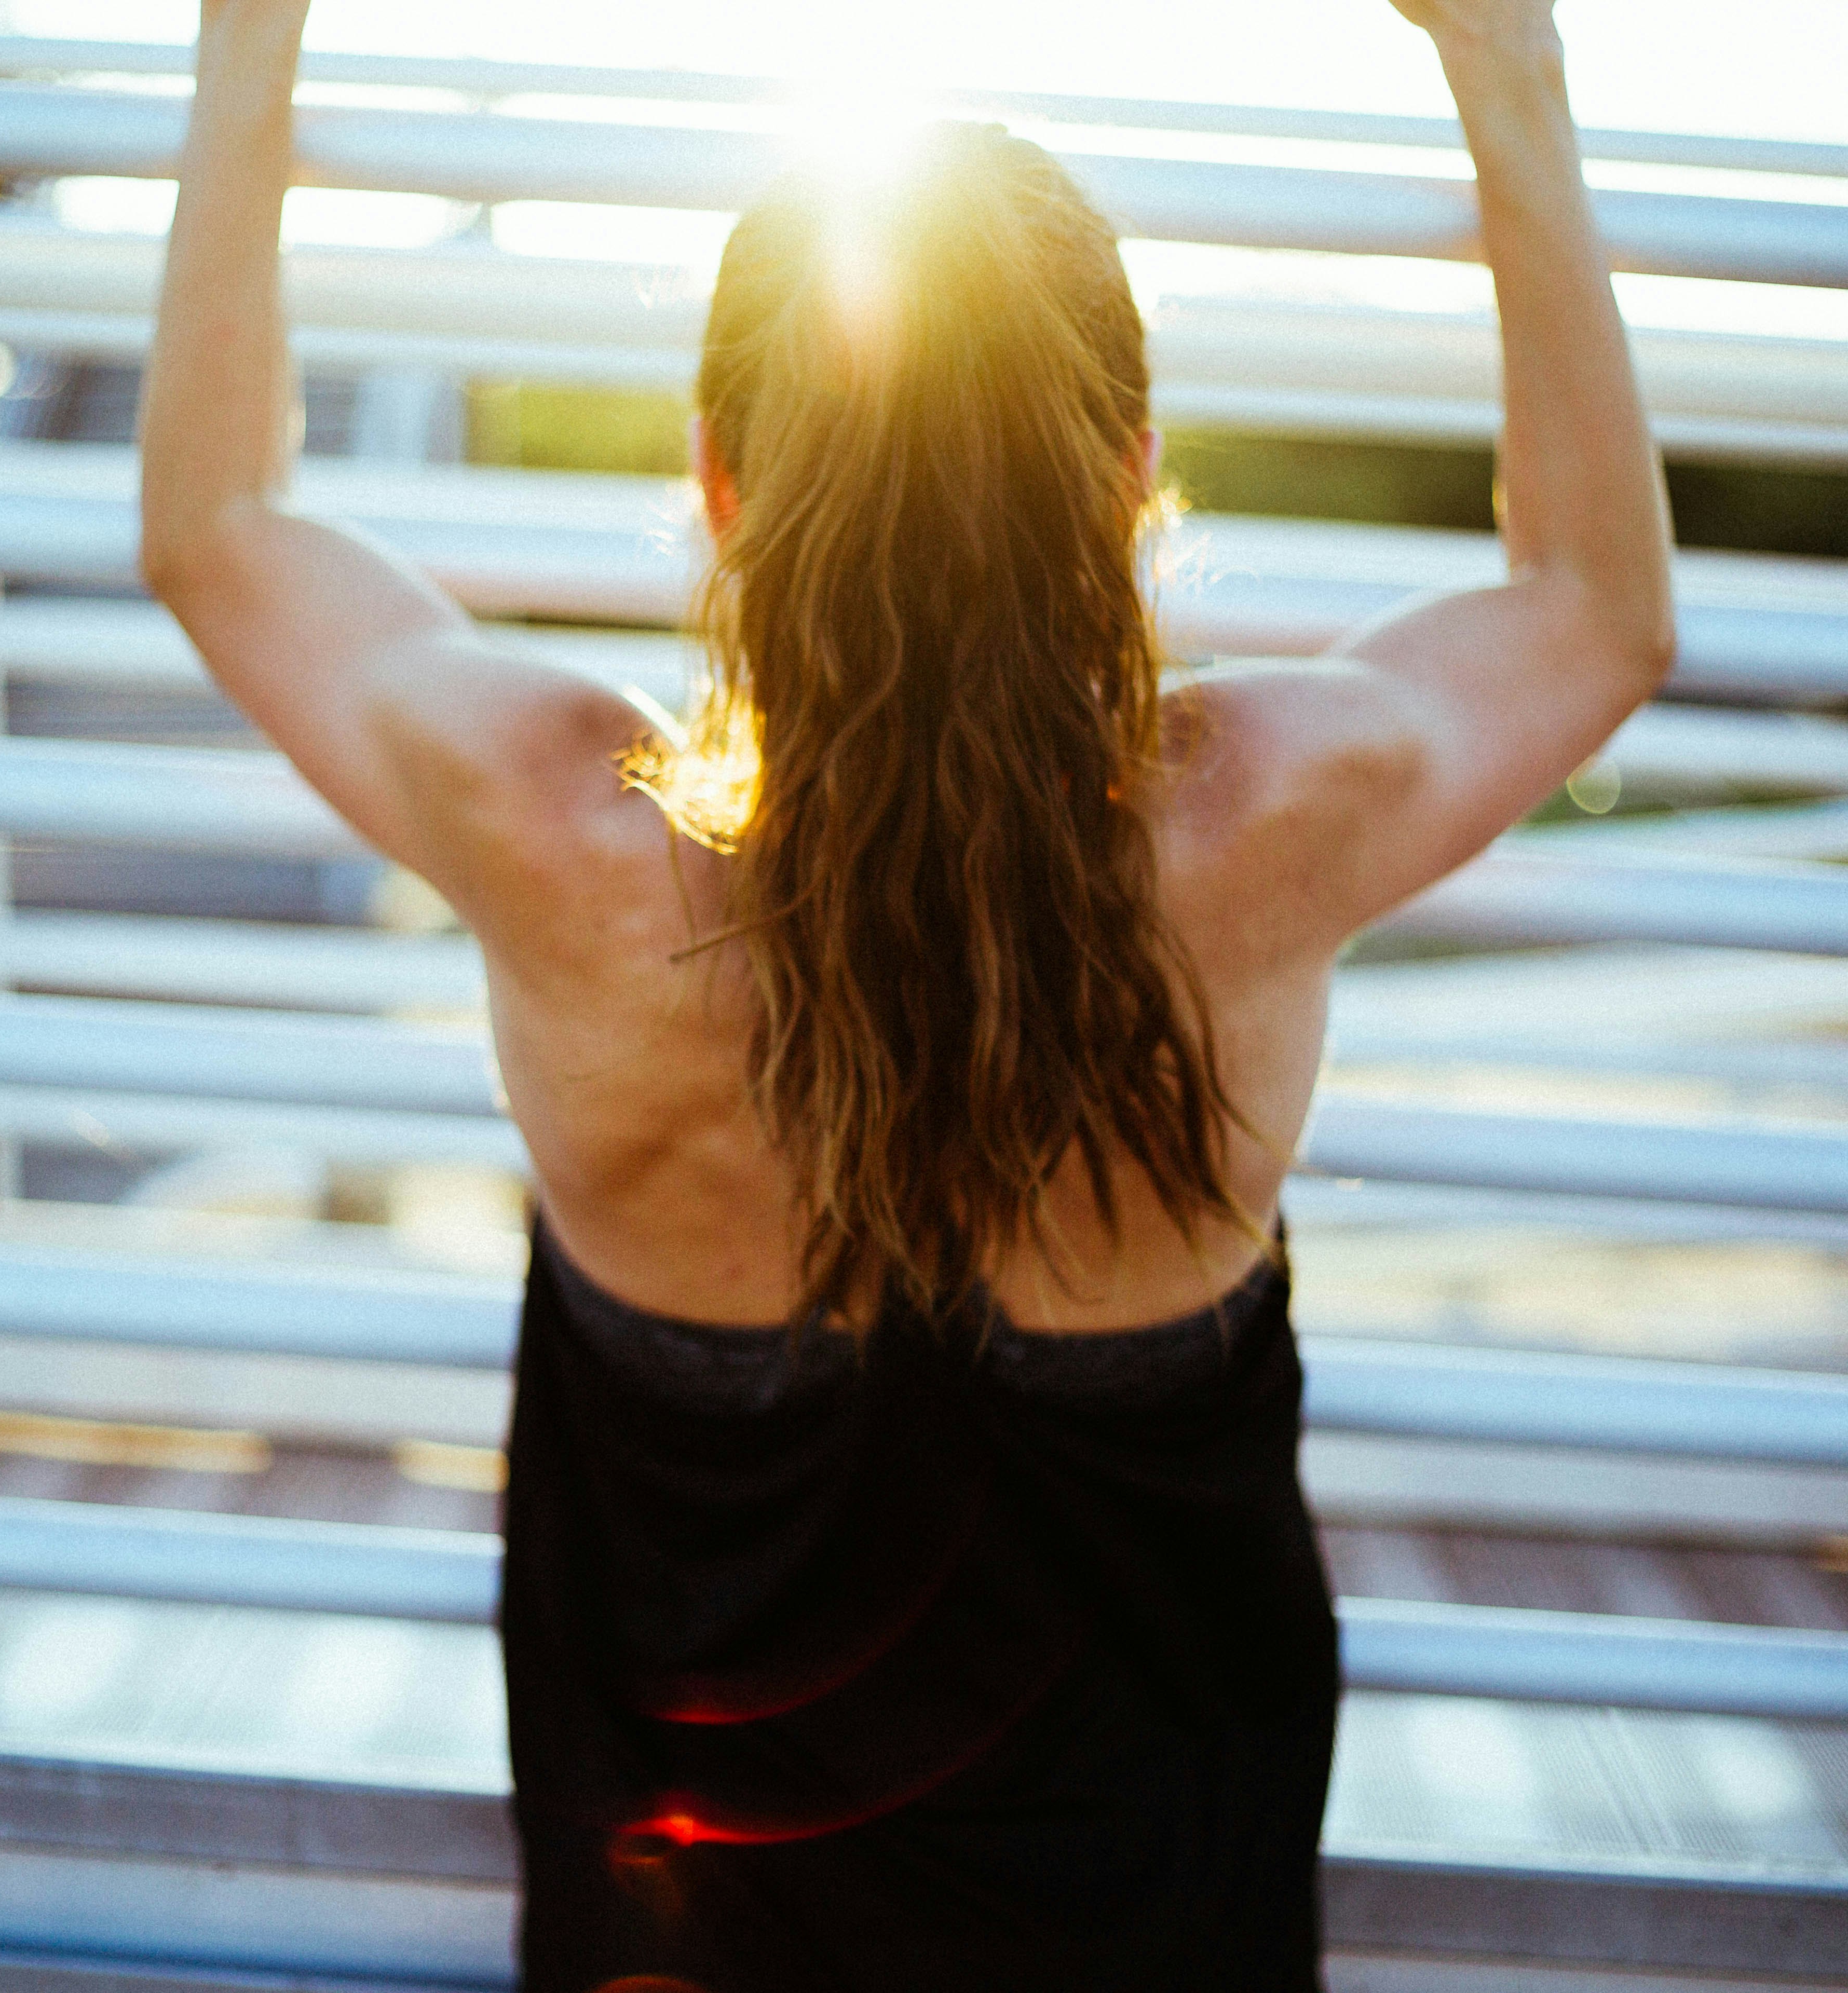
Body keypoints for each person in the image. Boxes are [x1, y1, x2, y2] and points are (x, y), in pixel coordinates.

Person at [142, 1, 1672, 1984]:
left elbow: (219, 532)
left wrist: (255, 28)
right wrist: (1508, 69)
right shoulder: (1268, 822)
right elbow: (1596, 610)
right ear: (1131, 476)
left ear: (714, 476)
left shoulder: (567, 842)